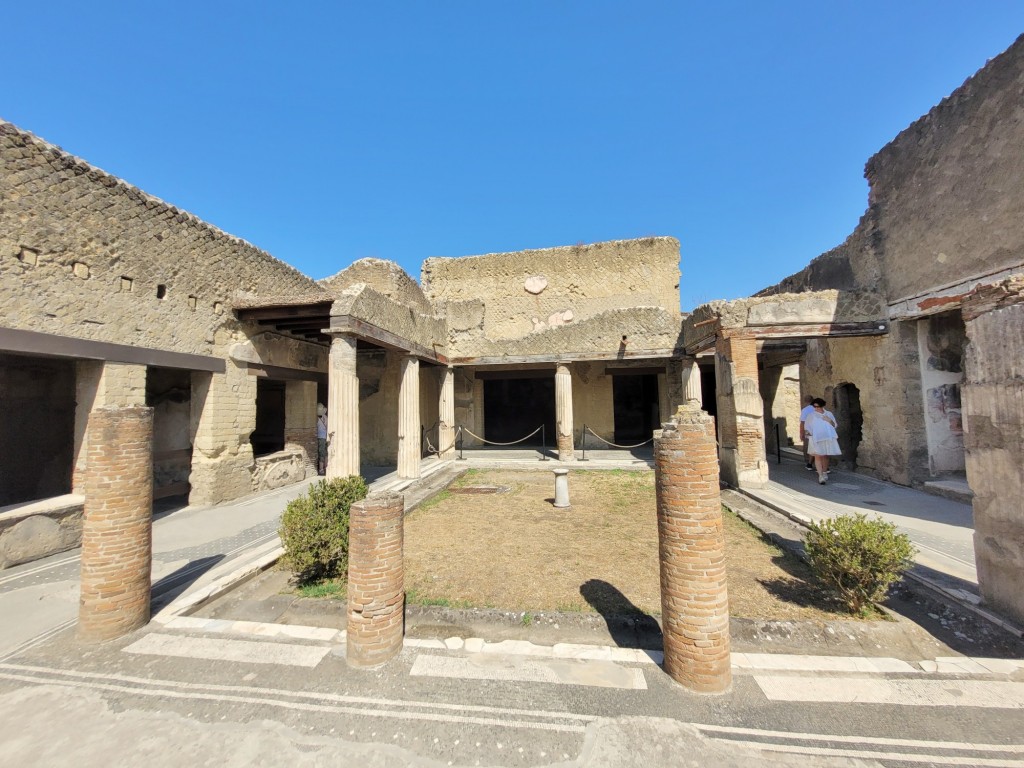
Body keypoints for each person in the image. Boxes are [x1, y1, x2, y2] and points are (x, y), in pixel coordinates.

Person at [804, 398, 840, 484]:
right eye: (814, 406)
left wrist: (829, 420)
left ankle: (824, 472)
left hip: (827, 437)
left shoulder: (829, 414)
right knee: (818, 455)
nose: (816, 408)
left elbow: (835, 425)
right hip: (816, 438)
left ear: (822, 406)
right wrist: (807, 432)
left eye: (818, 406)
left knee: (825, 456)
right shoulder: (811, 415)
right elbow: (807, 426)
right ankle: (820, 476)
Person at [799, 395, 816, 470]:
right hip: (818, 430)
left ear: (805, 401)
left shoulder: (805, 410)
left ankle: (810, 463)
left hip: (808, 431)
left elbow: (802, 422)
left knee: (811, 447)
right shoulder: (818, 409)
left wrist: (801, 433)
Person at [316, 402, 328, 475]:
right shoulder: (325, 417)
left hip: (320, 437)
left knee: (321, 453)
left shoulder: (316, 418)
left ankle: (321, 469)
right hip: (326, 437)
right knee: (326, 452)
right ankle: (326, 467)